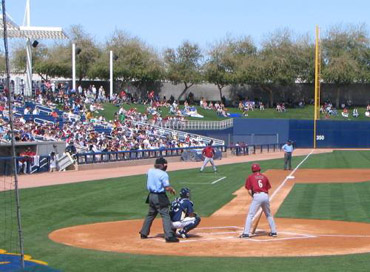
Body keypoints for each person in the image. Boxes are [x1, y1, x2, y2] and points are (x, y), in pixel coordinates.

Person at [139, 157, 179, 243]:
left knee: (151, 214)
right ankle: (169, 236)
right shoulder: (163, 174)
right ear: (163, 165)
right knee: (165, 215)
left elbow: (150, 175)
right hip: (159, 196)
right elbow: (167, 187)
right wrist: (172, 189)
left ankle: (143, 233)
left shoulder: (150, 171)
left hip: (151, 196)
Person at [239, 163, 277, 238]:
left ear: (252, 170)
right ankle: (274, 232)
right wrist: (264, 199)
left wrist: (255, 198)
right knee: (268, 214)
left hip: (257, 195)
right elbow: (267, 188)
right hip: (265, 196)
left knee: (250, 215)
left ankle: (246, 233)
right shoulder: (264, 177)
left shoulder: (250, 177)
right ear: (259, 169)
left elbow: (249, 191)